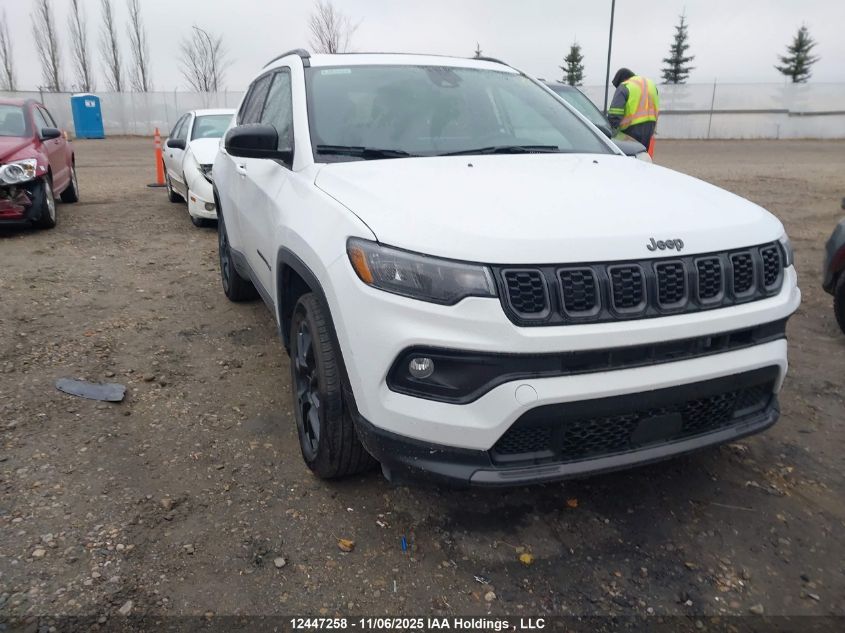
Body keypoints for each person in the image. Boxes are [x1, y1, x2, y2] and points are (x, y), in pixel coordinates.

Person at [607, 68, 660, 153]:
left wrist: (611, 130)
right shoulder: (651, 84)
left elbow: (614, 114)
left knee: (630, 155)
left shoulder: (625, 85)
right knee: (642, 153)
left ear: (622, 79)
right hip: (650, 126)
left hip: (630, 129)